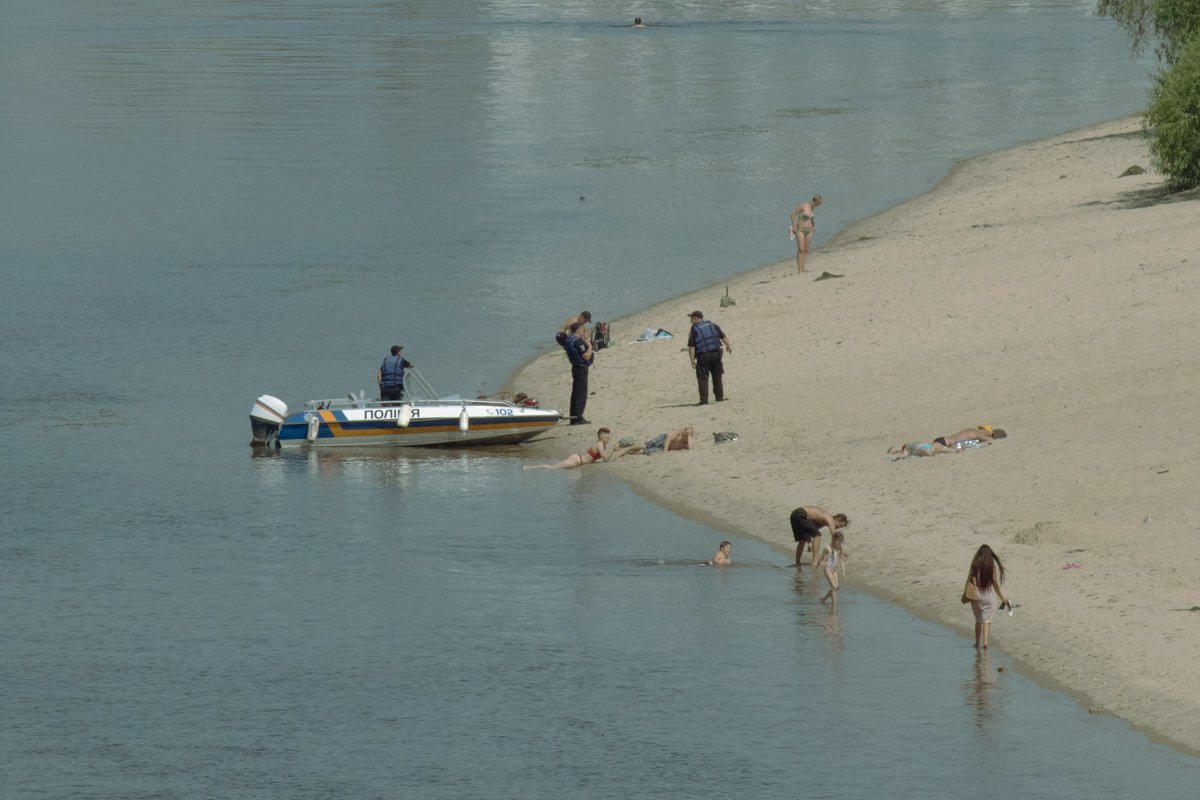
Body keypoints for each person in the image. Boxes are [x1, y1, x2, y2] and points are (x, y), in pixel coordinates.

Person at [962, 544, 1011, 649]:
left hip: (976, 596)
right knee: (987, 621)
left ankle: (977, 643)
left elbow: (968, 580)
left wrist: (965, 594)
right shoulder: (991, 565)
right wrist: (1002, 597)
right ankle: (985, 643)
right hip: (988, 596)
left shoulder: (975, 564)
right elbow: (995, 583)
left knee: (978, 620)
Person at [687, 311, 731, 405]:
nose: (690, 321)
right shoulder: (713, 325)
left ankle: (704, 400)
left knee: (703, 378)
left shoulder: (694, 329)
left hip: (703, 356)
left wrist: (691, 360)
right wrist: (728, 345)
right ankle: (719, 397)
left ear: (696, 318)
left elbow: (691, 346)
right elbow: (723, 336)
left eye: (691, 319)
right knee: (717, 375)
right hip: (716, 353)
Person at [524, 427, 616, 470]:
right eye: (606, 437)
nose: (608, 438)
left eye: (608, 437)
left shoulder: (602, 445)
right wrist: (613, 449)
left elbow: (603, 457)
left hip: (577, 459)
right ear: (600, 436)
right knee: (551, 469)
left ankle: (530, 467)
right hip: (576, 460)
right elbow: (605, 459)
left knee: (553, 468)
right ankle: (529, 467)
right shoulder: (599, 444)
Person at [563, 321, 594, 425]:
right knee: (580, 394)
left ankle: (574, 417)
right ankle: (578, 418)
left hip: (576, 367)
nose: (583, 331)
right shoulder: (577, 342)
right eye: (582, 329)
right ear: (578, 330)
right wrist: (589, 346)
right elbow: (586, 356)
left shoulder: (569, 340)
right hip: (580, 368)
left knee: (576, 393)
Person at [789, 194, 822, 273]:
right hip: (800, 230)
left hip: (810, 230)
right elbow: (793, 214)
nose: (819, 205)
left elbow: (811, 218)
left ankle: (803, 268)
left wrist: (814, 226)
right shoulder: (803, 206)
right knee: (801, 249)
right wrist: (794, 226)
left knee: (806, 250)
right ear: (814, 201)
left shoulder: (812, 208)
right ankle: (800, 270)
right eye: (819, 203)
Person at [616, 427, 695, 456]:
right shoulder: (679, 434)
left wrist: (689, 436)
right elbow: (668, 439)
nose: (685, 433)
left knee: (644, 451)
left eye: (688, 433)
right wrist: (666, 451)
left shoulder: (688, 442)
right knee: (646, 445)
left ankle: (629, 453)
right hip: (663, 440)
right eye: (685, 431)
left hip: (664, 448)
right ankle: (627, 449)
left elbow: (691, 450)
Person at [816, 530, 848, 604]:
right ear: (834, 540)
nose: (839, 544)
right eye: (838, 542)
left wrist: (844, 572)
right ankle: (834, 606)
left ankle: (823, 599)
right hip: (827, 569)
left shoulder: (839, 548)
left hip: (834, 570)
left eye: (841, 542)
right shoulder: (827, 548)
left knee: (837, 587)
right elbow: (821, 558)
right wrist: (816, 567)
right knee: (833, 587)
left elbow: (841, 561)